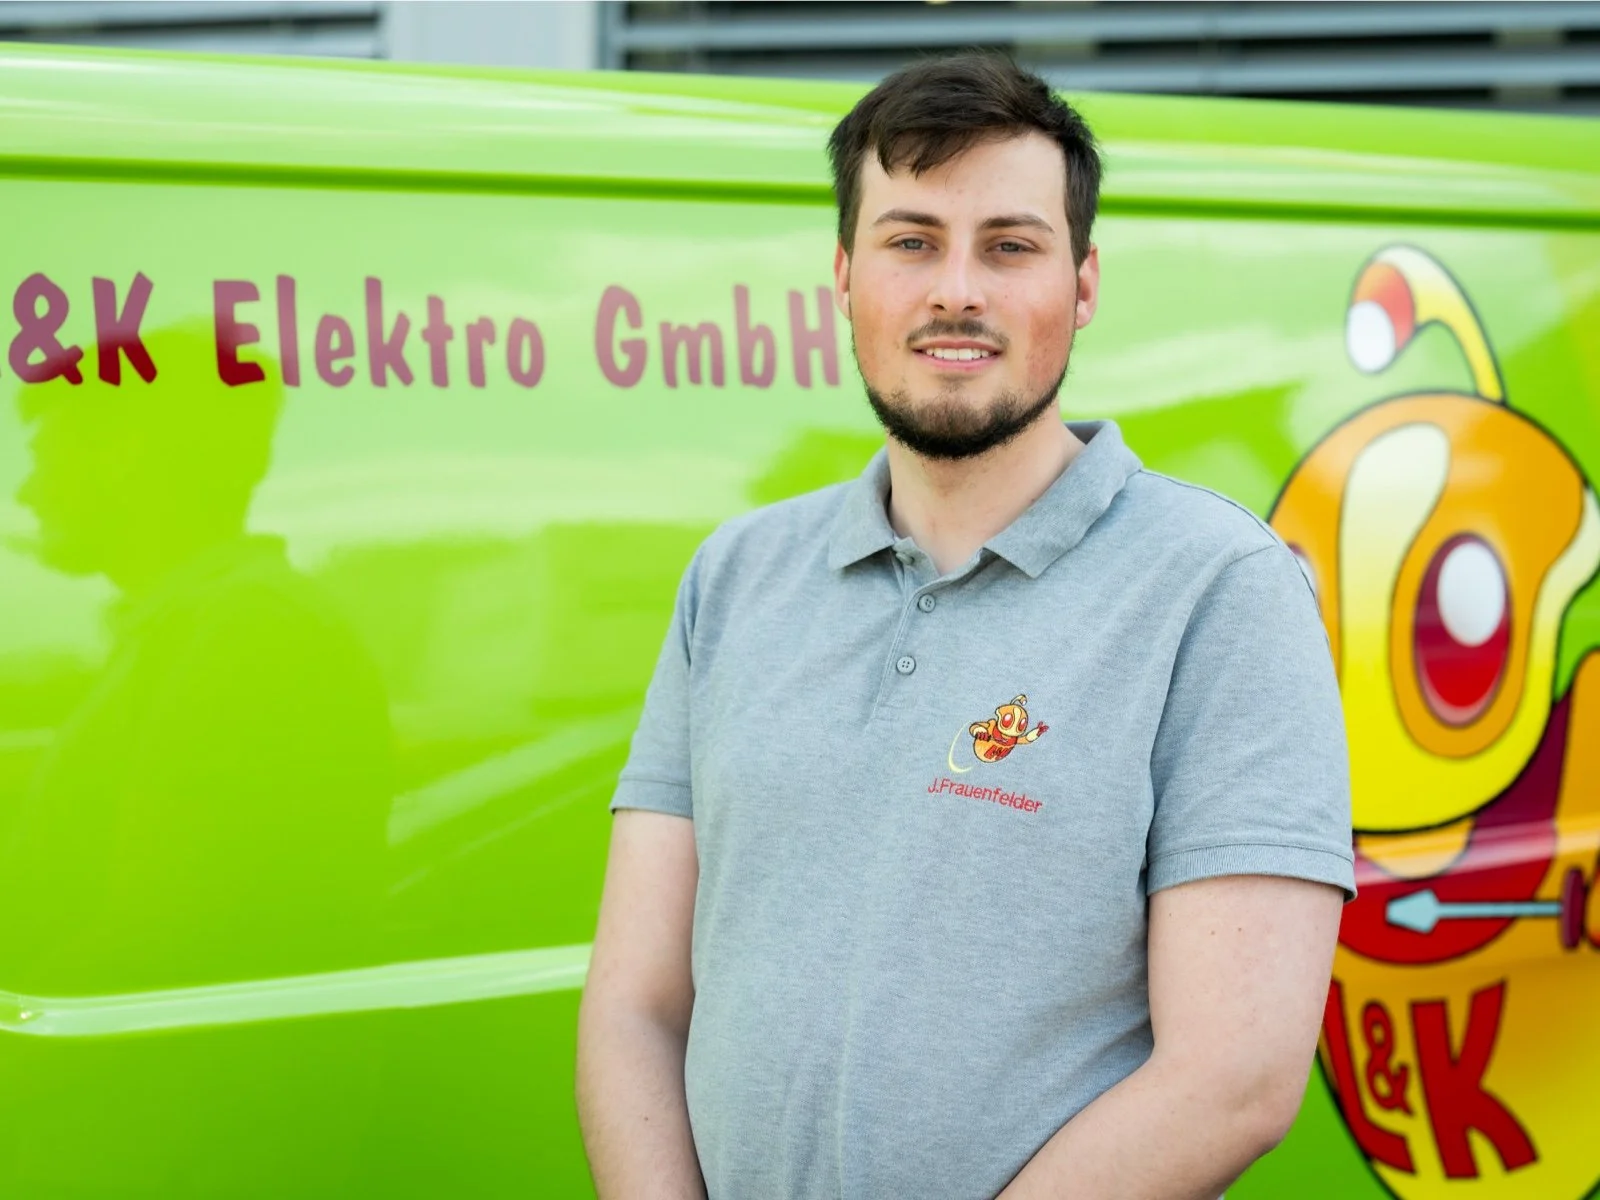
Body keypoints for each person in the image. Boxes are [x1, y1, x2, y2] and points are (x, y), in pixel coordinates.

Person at [576, 52, 1353, 1200]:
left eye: (1009, 245)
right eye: (910, 240)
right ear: (843, 275)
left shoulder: (1218, 590)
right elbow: (636, 1006)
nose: (956, 290)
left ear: (1082, 284)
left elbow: (1233, 1078)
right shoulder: (733, 578)